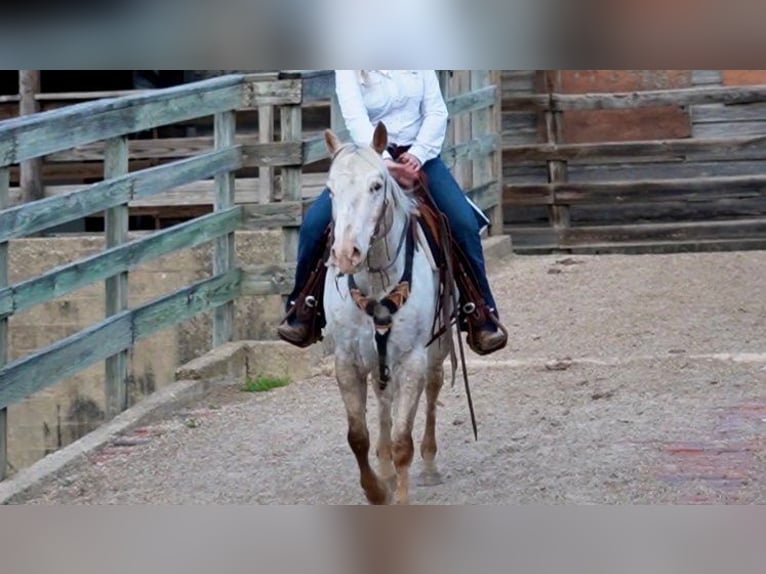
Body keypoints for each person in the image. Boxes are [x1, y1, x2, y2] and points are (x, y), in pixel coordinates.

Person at [277, 70, 507, 355]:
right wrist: (383, 161)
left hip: (419, 158)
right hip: (366, 160)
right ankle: (303, 308)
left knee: (462, 222)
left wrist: (418, 154)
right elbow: (356, 117)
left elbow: (436, 110)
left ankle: (481, 312)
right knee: (314, 225)